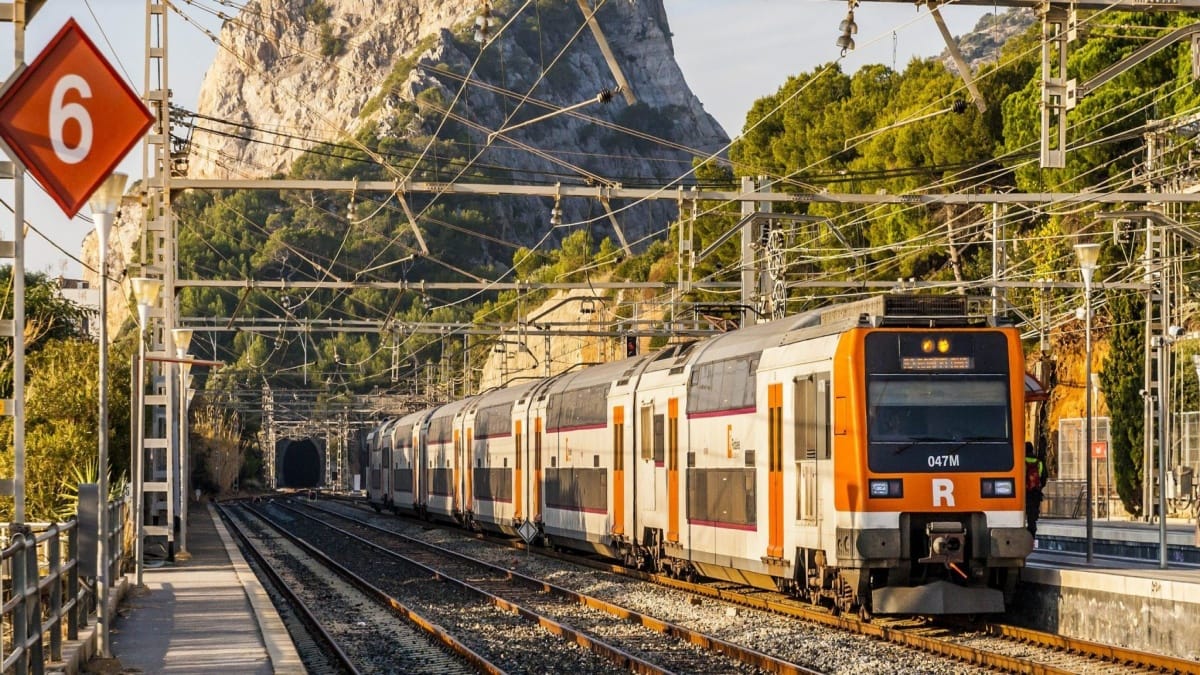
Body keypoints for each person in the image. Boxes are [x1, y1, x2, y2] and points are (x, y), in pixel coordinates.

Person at [1025, 442, 1047, 538]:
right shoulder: (1039, 462)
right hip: (1035, 492)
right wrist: (1039, 487)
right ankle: (1032, 532)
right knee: (1032, 514)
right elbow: (1044, 477)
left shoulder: (1021, 461)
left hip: (1024, 492)